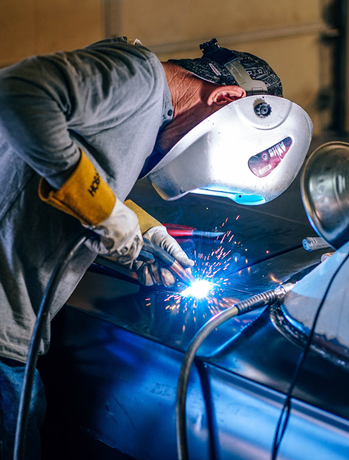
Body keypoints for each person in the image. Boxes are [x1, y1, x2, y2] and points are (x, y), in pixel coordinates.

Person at [0, 36, 282, 459]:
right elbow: (16, 93)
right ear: (224, 98)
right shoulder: (139, 76)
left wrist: (146, 232)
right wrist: (100, 210)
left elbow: (67, 172)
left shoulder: (140, 112)